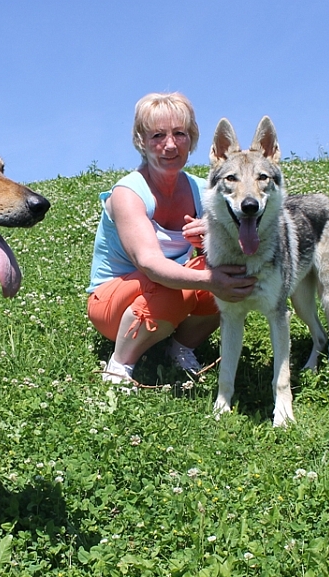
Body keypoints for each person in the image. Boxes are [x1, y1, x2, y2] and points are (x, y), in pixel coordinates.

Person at [86, 92, 256, 383]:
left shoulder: (203, 191)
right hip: (113, 301)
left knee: (236, 270)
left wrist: (212, 235)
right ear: (141, 141)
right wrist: (211, 280)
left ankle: (180, 347)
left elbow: (245, 239)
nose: (170, 145)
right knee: (170, 281)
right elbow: (150, 263)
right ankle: (120, 364)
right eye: (157, 136)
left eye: (180, 133)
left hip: (168, 291)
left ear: (191, 139)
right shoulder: (128, 193)